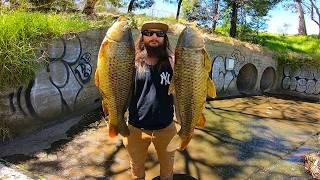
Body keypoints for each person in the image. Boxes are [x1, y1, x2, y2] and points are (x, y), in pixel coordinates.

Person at [122, 21, 176, 180]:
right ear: (142, 37)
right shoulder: (132, 62)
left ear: (164, 38)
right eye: (149, 33)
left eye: (159, 34)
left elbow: (189, 88)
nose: (154, 37)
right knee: (136, 172)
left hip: (166, 128)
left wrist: (177, 69)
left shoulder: (172, 62)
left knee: (167, 173)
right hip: (136, 129)